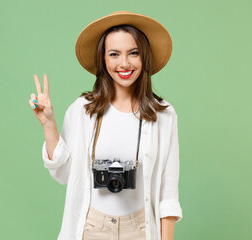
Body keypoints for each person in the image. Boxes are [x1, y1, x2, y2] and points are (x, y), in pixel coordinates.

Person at [29, 11, 183, 240]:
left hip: (141, 228)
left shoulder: (164, 114)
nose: (124, 63)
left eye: (133, 53)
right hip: (91, 226)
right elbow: (63, 174)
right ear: (103, 59)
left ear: (145, 57)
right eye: (114, 54)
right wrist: (48, 123)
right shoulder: (82, 110)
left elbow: (167, 193)